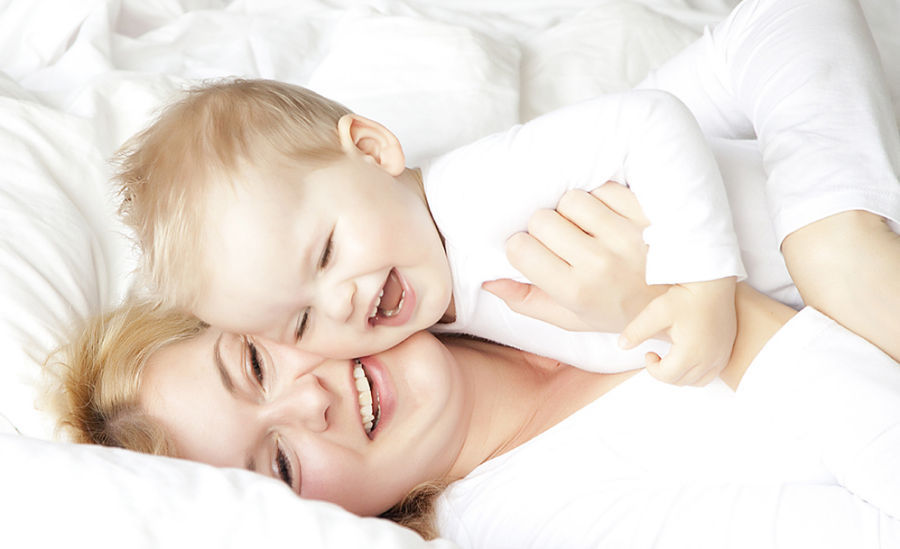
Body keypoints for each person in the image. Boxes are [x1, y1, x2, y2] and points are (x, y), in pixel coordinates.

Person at [54, 187, 900, 548]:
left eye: (252, 361)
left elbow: (775, 34)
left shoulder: (467, 238)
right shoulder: (551, 525)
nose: (309, 404)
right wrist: (714, 312)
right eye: (277, 463)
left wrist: (838, 229)